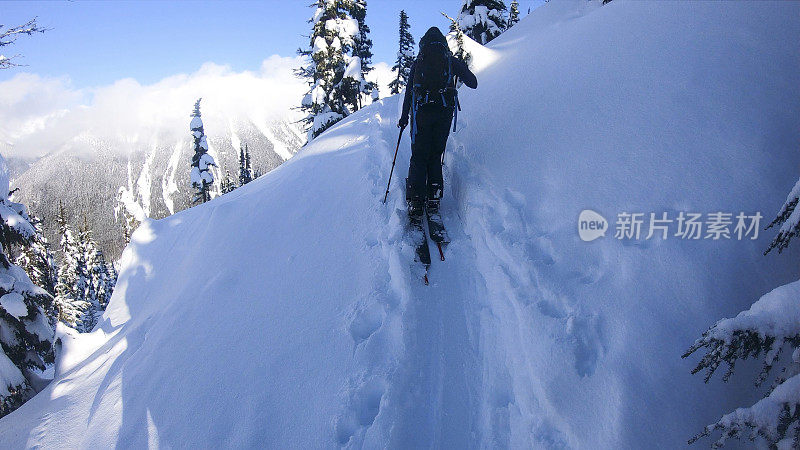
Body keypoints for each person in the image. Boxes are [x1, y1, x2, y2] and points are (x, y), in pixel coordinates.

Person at [398, 27, 477, 222]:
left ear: (423, 44)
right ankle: (433, 199)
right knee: (435, 155)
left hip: (421, 115)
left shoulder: (419, 62)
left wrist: (404, 118)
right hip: (443, 115)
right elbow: (473, 83)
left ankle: (416, 201)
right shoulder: (450, 61)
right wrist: (461, 69)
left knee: (419, 155)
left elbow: (409, 92)